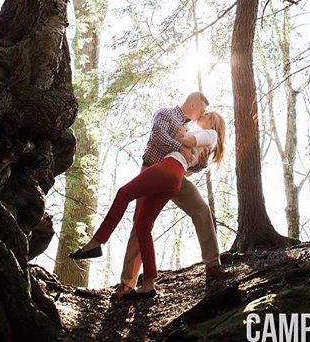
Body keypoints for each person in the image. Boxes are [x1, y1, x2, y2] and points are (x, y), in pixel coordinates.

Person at [70, 107, 227, 299]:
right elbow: (160, 137)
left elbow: (188, 166)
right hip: (156, 169)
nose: (203, 114)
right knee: (141, 226)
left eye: (207, 114)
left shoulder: (204, 134)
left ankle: (212, 264)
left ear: (214, 123)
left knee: (202, 210)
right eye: (203, 111)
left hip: (172, 173)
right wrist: (181, 142)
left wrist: (199, 164)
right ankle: (129, 283)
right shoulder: (168, 115)